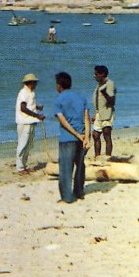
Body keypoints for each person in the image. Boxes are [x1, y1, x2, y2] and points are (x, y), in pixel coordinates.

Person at [53, 71, 90, 204]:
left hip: (68, 138)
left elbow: (63, 122)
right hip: (81, 137)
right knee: (80, 166)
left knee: (65, 168)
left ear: (59, 85)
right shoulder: (81, 97)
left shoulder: (58, 100)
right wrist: (86, 137)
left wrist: (76, 134)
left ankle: (67, 197)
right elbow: (87, 118)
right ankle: (79, 191)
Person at [14, 73, 45, 174]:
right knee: (22, 145)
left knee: (28, 145)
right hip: (24, 122)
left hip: (31, 121)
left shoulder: (31, 92)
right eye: (35, 83)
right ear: (30, 83)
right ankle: (19, 168)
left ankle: (24, 166)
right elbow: (23, 108)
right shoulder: (23, 93)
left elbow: (29, 106)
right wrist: (37, 116)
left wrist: (37, 107)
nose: (36, 85)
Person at [91, 65, 117, 161]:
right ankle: (97, 157)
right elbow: (98, 101)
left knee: (106, 134)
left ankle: (107, 158)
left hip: (107, 113)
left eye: (96, 74)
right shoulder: (99, 85)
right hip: (99, 114)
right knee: (95, 135)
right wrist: (95, 114)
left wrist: (105, 93)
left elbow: (112, 101)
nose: (94, 76)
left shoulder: (110, 84)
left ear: (102, 74)